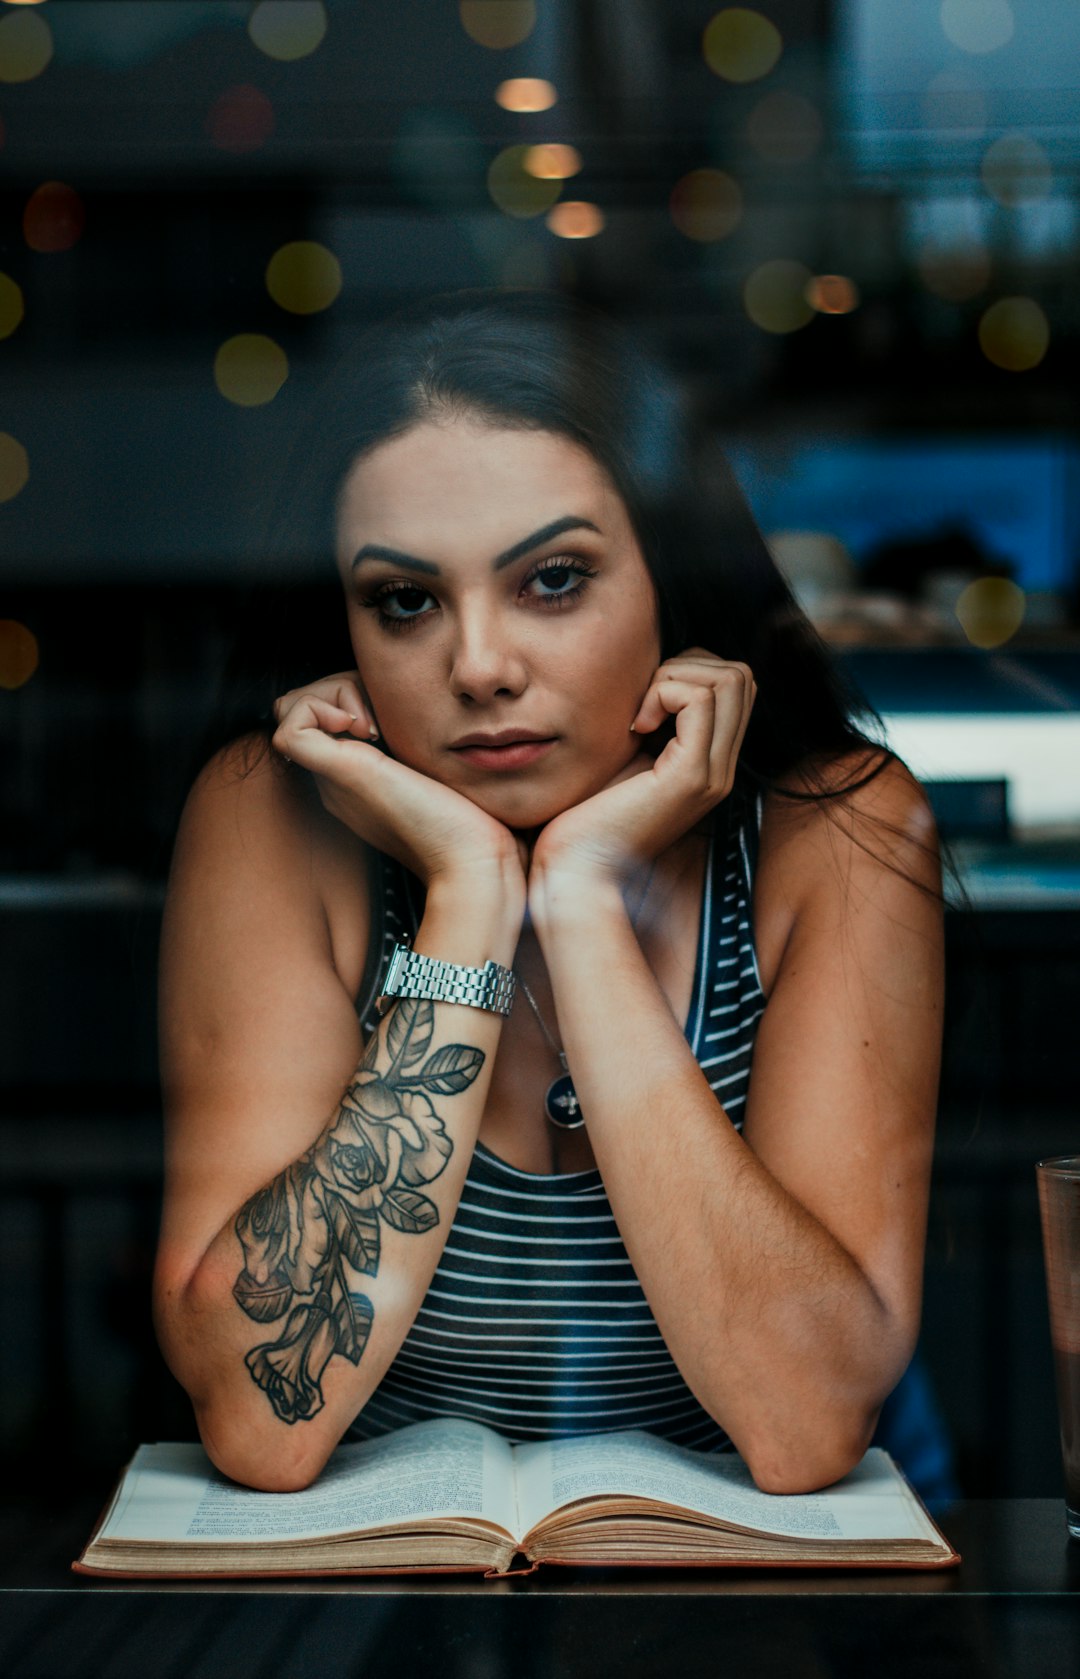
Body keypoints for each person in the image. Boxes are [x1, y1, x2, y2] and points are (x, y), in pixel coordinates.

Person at [153, 289, 944, 1497]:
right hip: (389, 1613)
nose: (478, 665)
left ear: (668, 580)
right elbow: (265, 1416)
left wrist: (578, 898)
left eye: (554, 579)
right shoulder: (274, 814)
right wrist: (471, 893)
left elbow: (805, 1419)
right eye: (406, 601)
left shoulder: (835, 831)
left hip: (749, 1627)